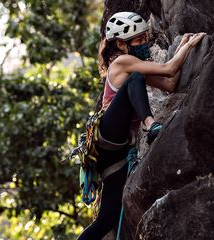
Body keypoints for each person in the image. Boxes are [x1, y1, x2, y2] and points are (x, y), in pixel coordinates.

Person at [77, 11, 205, 239]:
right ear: (120, 44)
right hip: (108, 134)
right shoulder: (122, 62)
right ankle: (150, 124)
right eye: (138, 40)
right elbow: (168, 69)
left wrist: (181, 48)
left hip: (114, 154)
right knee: (135, 79)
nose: (144, 43)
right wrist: (189, 45)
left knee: (107, 218)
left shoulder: (134, 64)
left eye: (145, 38)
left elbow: (170, 83)